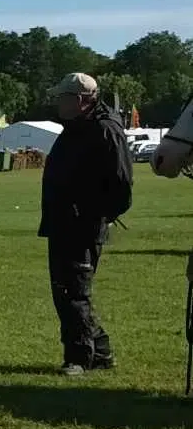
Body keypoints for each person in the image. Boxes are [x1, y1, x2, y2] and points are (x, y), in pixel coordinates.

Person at [38, 70, 133, 376]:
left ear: (81, 101)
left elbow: (122, 187)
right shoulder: (76, 128)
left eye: (63, 99)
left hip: (82, 226)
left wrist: (90, 214)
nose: (58, 104)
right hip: (63, 222)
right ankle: (101, 351)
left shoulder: (105, 130)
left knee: (74, 292)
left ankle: (80, 358)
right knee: (65, 290)